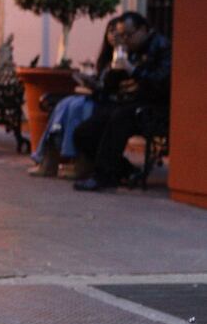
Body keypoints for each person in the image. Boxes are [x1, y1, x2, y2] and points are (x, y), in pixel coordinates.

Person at [73, 11, 171, 191]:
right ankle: (126, 171)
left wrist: (133, 70)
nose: (125, 40)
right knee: (84, 132)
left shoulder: (161, 46)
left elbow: (161, 81)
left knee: (120, 117)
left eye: (128, 35)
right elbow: (112, 85)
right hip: (129, 103)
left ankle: (103, 177)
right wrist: (112, 65)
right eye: (121, 36)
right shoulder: (128, 50)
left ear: (143, 29)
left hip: (153, 106)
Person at [29, 16, 121, 178]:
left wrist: (97, 87)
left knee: (78, 107)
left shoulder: (125, 58)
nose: (113, 35)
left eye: (117, 32)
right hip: (96, 96)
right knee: (64, 104)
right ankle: (48, 160)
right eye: (110, 31)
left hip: (107, 102)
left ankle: (80, 161)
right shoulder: (106, 58)